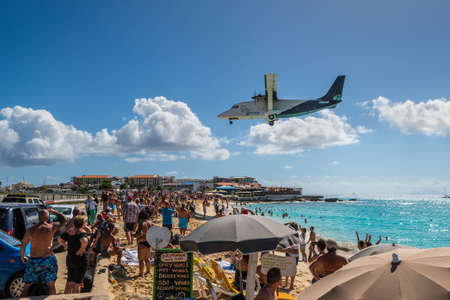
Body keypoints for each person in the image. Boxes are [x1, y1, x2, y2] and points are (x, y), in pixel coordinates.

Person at [20, 208, 66, 296]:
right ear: (48, 217)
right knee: (51, 286)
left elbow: (23, 245)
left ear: (38, 217)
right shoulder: (51, 227)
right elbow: (63, 220)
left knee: (26, 287)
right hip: (47, 260)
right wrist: (54, 211)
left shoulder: (31, 230)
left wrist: (22, 257)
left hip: (34, 261)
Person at [58, 216, 89, 294]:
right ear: (83, 224)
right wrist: (81, 249)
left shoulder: (69, 232)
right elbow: (84, 241)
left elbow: (59, 239)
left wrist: (65, 246)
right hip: (80, 259)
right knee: (77, 283)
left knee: (70, 281)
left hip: (70, 258)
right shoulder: (81, 232)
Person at [133, 211, 153, 277]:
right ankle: (148, 271)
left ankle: (141, 274)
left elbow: (139, 234)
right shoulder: (150, 222)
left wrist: (133, 235)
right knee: (147, 259)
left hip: (142, 242)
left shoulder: (142, 223)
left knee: (141, 260)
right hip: (149, 242)